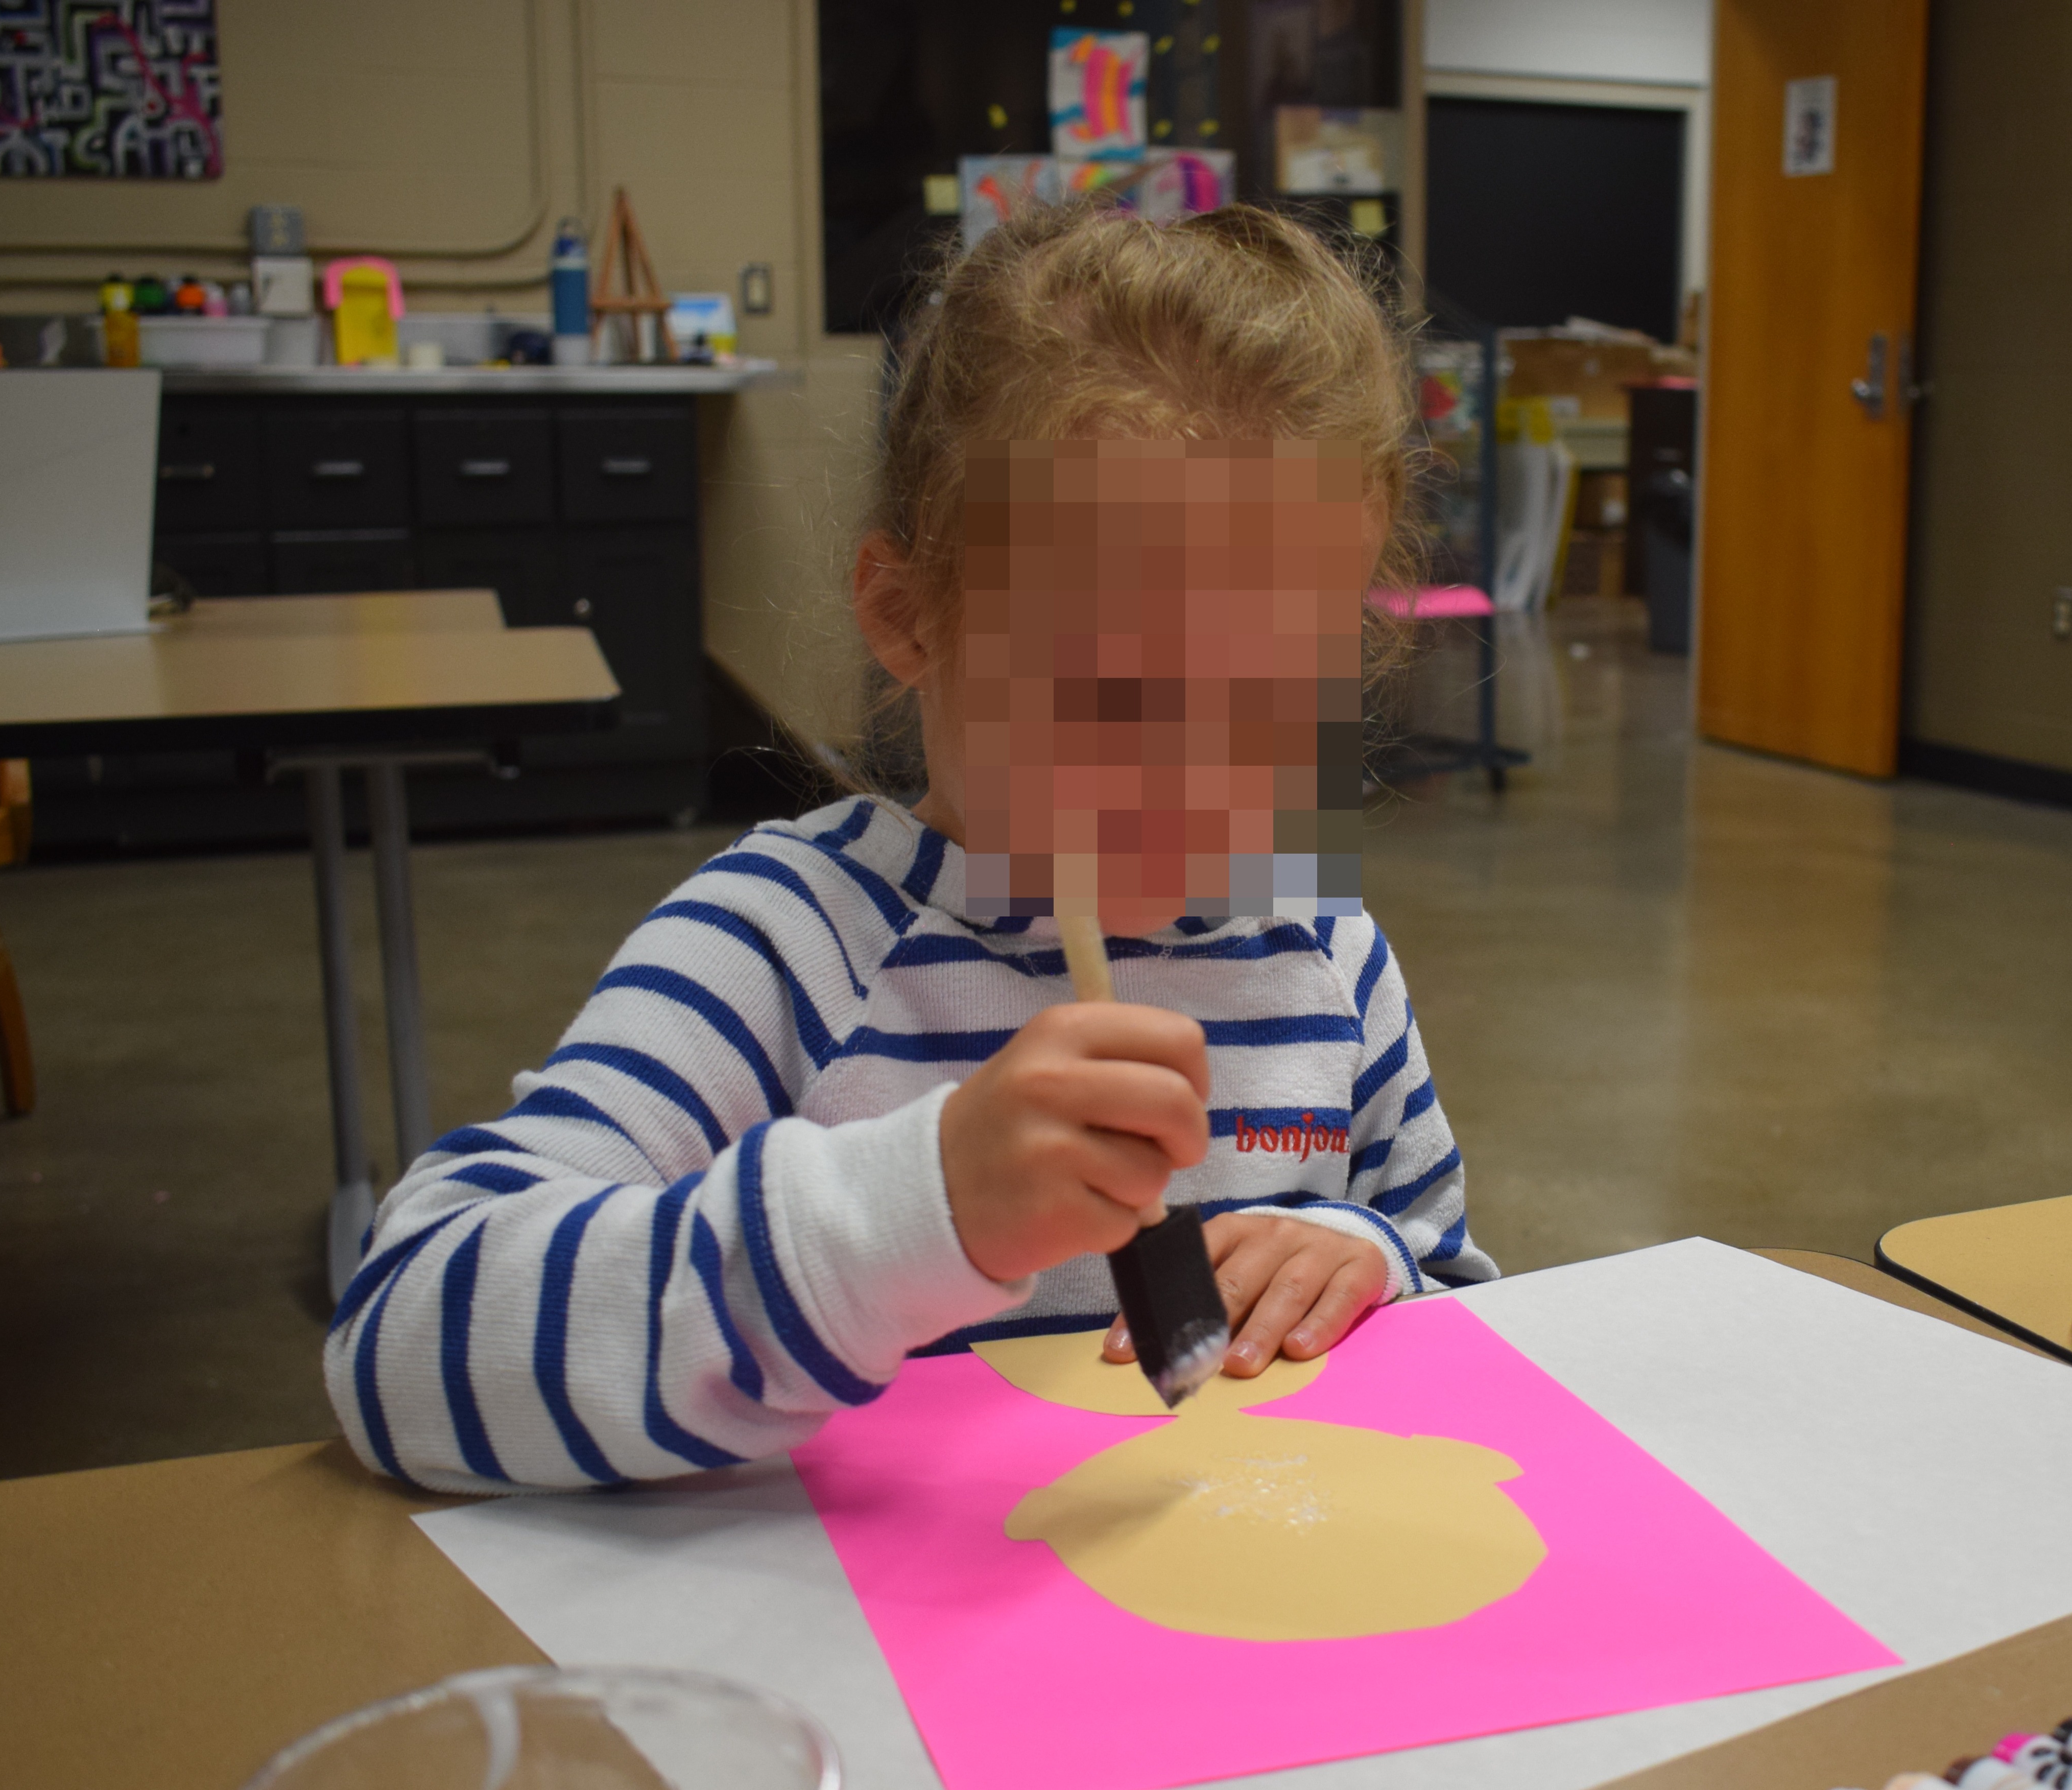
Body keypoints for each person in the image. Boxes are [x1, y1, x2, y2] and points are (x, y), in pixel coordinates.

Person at [325, 205, 1496, 1493]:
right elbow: (403, 1340)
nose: (1201, 771)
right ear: (909, 614)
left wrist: (1365, 1258)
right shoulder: (787, 947)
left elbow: (1454, 1283)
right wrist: (913, 1211)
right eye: (1117, 688)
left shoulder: (1321, 952)